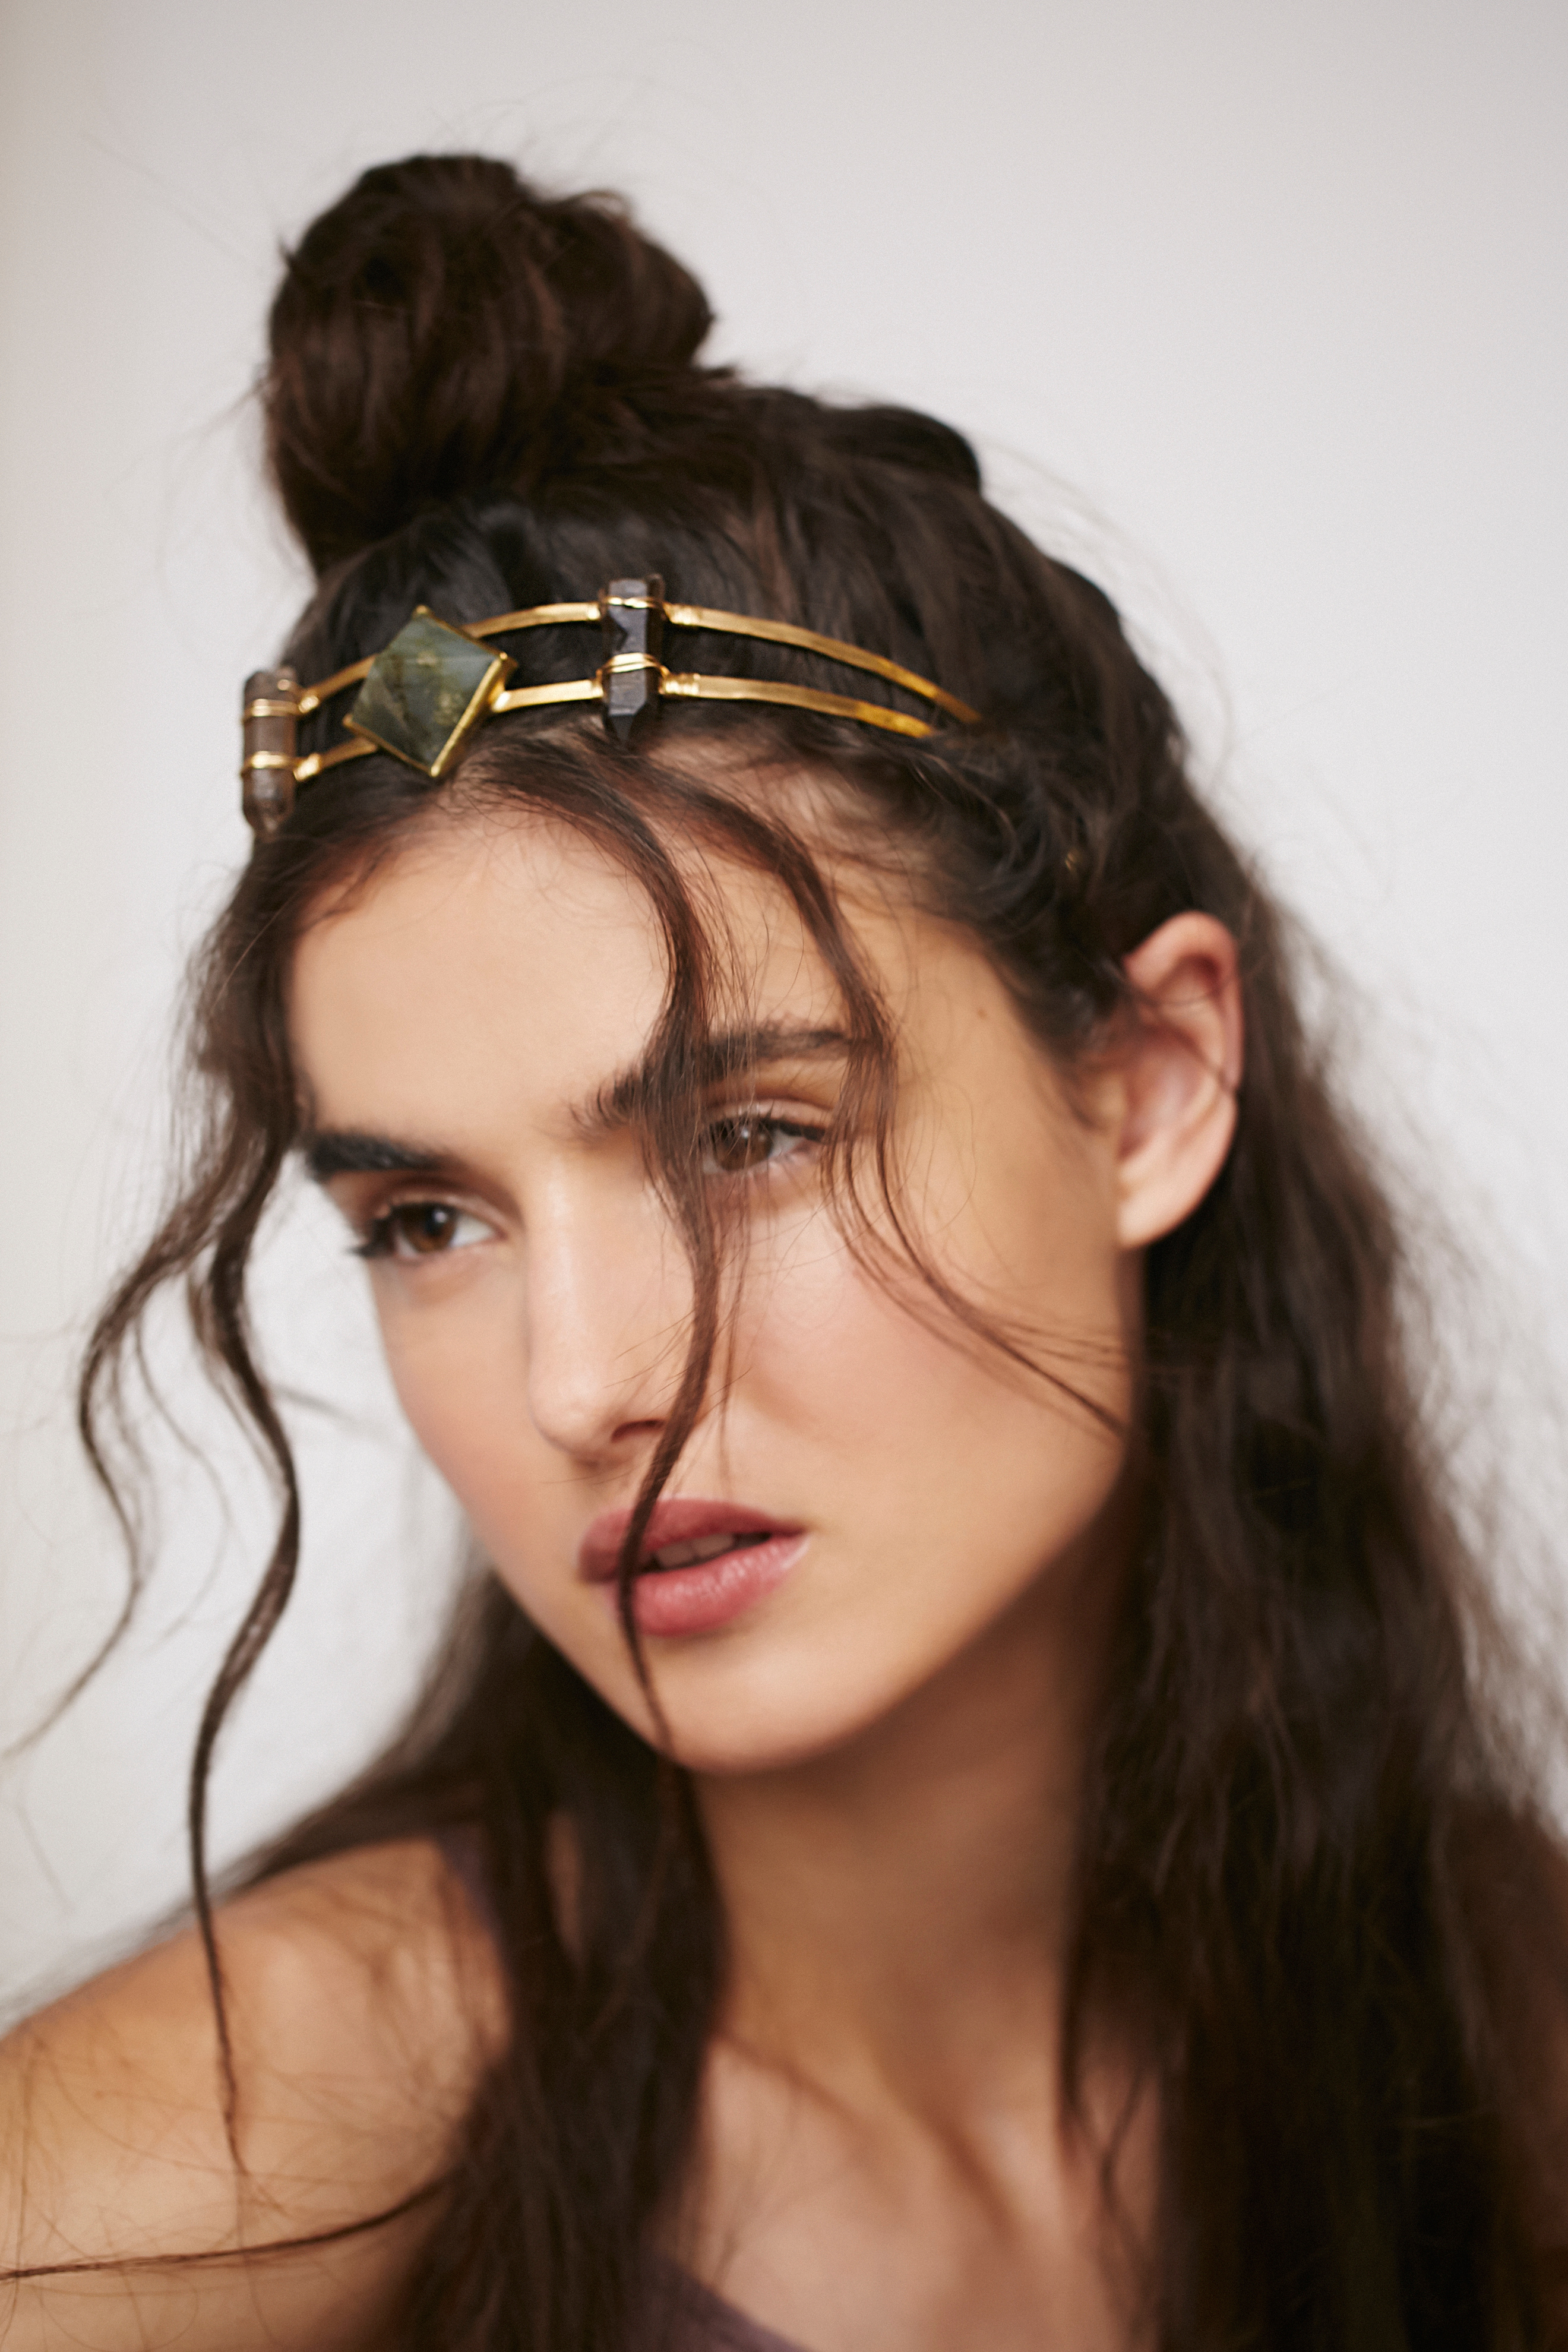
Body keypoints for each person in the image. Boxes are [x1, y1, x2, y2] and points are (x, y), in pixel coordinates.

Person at [2, 149, 1565, 2352]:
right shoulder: (227, 2159)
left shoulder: (1497, 2018)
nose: (581, 1383)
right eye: (427, 1220)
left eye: (746, 1134)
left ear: (1145, 1088)